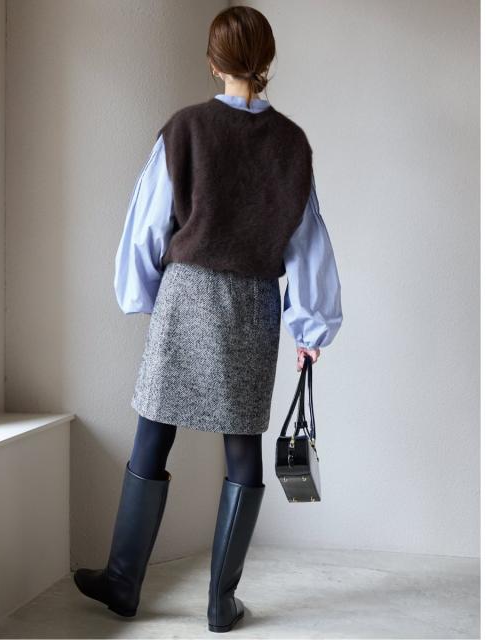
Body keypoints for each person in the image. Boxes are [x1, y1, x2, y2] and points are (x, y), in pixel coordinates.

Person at [73, 5, 343, 633]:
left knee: (153, 431)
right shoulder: (291, 144)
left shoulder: (185, 128)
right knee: (241, 445)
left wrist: (144, 296)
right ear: (267, 60)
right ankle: (221, 602)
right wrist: (310, 327)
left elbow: (147, 226)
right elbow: (308, 243)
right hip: (252, 304)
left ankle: (123, 583)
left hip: (187, 295)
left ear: (213, 61)